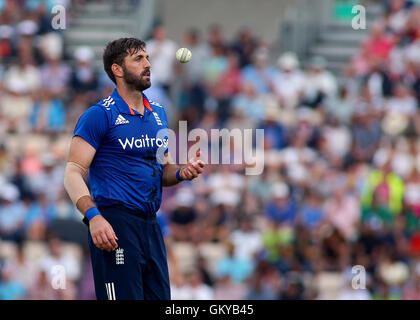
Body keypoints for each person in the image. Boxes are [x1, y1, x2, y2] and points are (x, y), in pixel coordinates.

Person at [63, 38, 205, 300]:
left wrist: (182, 172)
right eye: (138, 59)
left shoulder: (159, 113)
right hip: (116, 225)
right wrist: (93, 217)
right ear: (117, 69)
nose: (148, 64)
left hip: (151, 226)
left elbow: (162, 170)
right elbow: (72, 173)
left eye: (148, 58)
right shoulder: (99, 115)